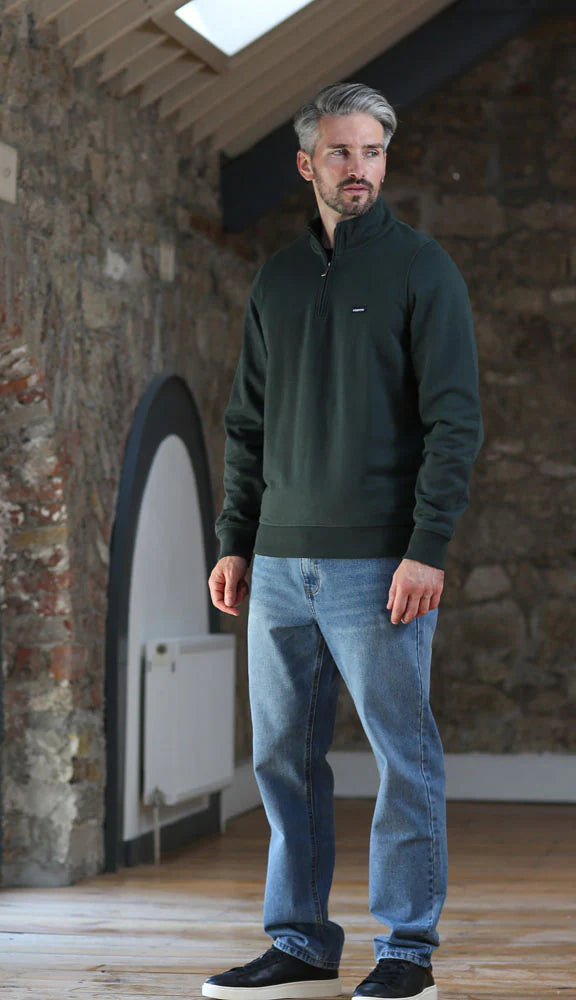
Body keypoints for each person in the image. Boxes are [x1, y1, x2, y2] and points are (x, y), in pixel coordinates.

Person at [203, 82, 483, 1000]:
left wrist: (427, 547)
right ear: (306, 164)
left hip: (381, 565)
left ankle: (406, 951)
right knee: (282, 761)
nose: (358, 168)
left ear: (384, 162)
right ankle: (299, 941)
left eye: (372, 152)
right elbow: (247, 425)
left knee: (404, 757)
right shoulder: (278, 279)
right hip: (279, 563)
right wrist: (235, 539)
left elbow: (454, 423)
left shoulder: (422, 270)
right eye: (341, 152)